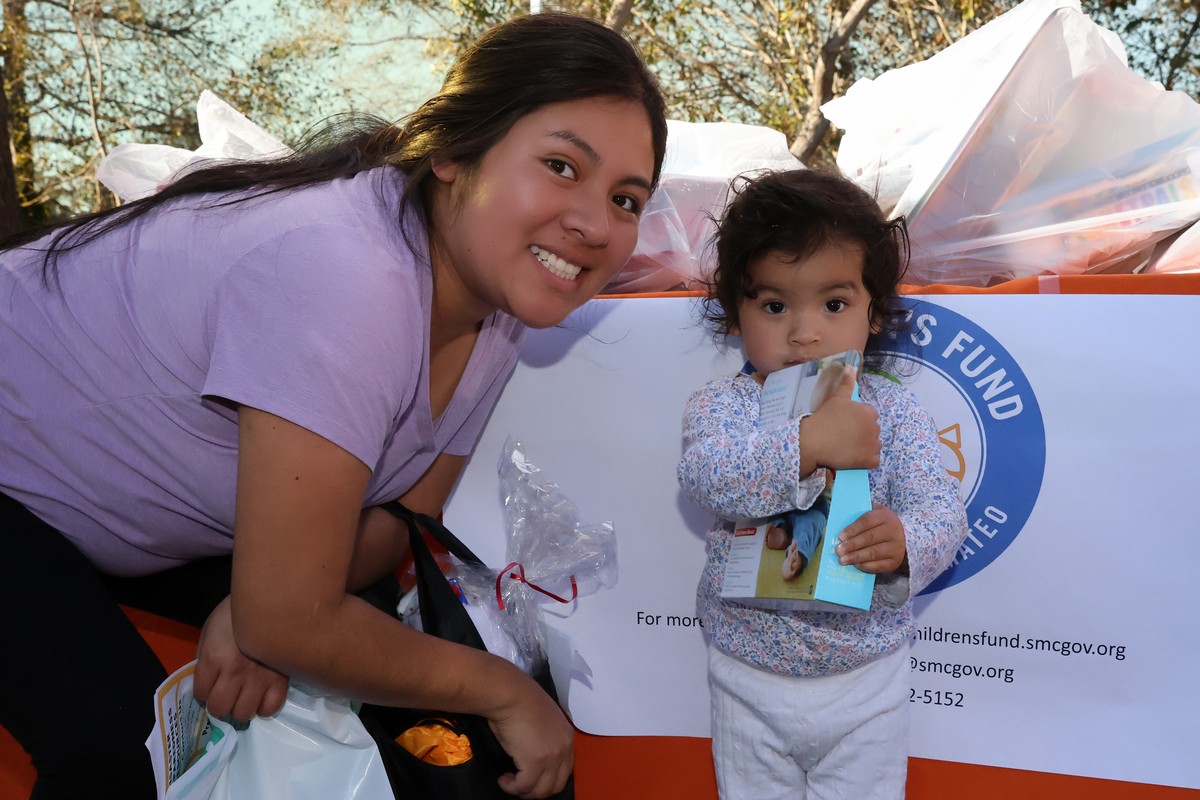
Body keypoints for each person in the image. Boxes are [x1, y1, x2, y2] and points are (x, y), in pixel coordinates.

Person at [0, 12, 667, 800]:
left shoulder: (496, 314)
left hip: (98, 504)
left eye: (628, 199)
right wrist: (500, 689)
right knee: (121, 754)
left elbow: (398, 523)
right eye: (561, 166)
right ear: (455, 151)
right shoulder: (347, 275)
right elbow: (294, 618)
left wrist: (259, 613)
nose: (594, 223)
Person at [677, 169, 968, 799]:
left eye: (833, 305)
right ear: (735, 313)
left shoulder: (895, 413)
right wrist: (806, 445)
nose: (805, 333)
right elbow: (705, 477)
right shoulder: (723, 407)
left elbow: (941, 511)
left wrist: (906, 543)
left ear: (874, 313)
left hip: (868, 682)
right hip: (745, 675)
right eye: (774, 305)